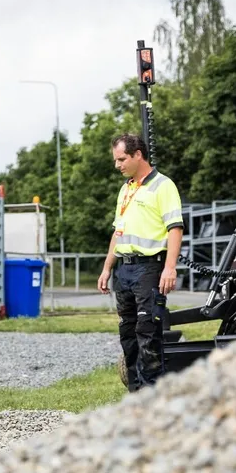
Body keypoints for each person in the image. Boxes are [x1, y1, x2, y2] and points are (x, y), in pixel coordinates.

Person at [96, 133, 184, 391]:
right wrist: (106, 268)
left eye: (121, 159)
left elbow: (175, 228)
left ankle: (152, 396)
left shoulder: (163, 186)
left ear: (138, 155)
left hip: (149, 269)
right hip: (124, 270)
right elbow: (118, 231)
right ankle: (135, 393)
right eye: (115, 160)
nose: (117, 165)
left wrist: (169, 267)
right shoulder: (126, 190)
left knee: (148, 333)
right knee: (128, 334)